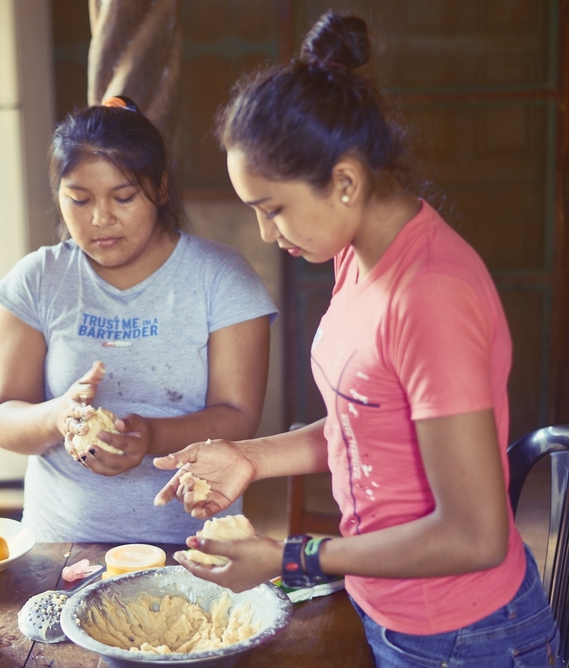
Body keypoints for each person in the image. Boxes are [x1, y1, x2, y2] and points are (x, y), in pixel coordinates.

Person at [154, 11, 561, 667]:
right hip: (395, 614)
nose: (265, 235)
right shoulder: (359, 255)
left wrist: (294, 558)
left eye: (273, 208)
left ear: (344, 181)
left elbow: (475, 534)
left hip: (466, 637)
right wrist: (250, 458)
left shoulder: (429, 296)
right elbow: (368, 426)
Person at [0, 96, 277, 544]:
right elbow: (3, 419)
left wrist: (153, 436)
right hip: (59, 546)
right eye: (78, 200)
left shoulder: (220, 277)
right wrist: (58, 416)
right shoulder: (38, 280)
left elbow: (240, 415)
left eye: (123, 197)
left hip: (192, 545)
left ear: (160, 189)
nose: (100, 219)